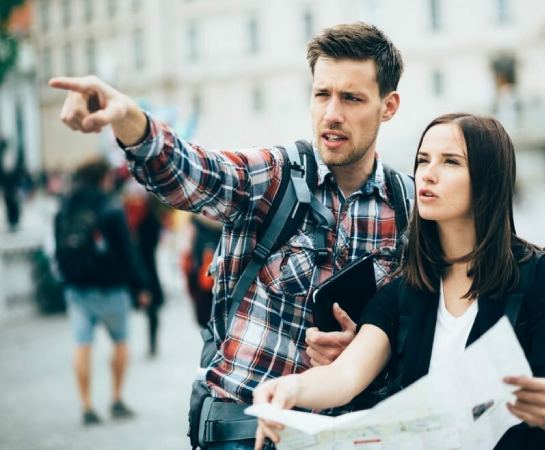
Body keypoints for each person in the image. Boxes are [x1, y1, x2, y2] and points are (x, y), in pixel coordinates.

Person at [50, 22, 406, 448]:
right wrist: (131, 120)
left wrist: (364, 350)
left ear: (388, 106)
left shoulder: (404, 209)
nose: (332, 113)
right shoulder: (276, 175)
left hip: (342, 435)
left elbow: (418, 329)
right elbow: (194, 172)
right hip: (242, 429)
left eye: (351, 98)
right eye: (321, 94)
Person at [254, 114, 545, 450]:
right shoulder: (408, 289)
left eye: (450, 162)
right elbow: (346, 375)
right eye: (423, 160)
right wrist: (290, 389)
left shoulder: (543, 280)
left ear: (488, 178)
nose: (427, 174)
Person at [54, 158, 151, 425]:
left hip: (77, 289)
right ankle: (116, 399)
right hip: (111, 288)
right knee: (120, 341)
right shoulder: (111, 208)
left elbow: (57, 249)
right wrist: (141, 286)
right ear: (103, 178)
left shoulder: (65, 207)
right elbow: (128, 251)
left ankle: (86, 405)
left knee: (82, 344)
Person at [123, 179, 166, 357]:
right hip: (128, 269)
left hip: (147, 268)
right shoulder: (124, 214)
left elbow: (153, 241)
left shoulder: (150, 216)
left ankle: (152, 343)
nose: (136, 199)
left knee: (152, 309)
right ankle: (122, 346)